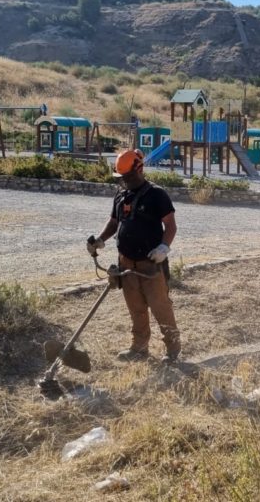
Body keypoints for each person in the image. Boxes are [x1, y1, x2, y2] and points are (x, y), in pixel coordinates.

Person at [88, 149, 181, 363]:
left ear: (139, 169)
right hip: (126, 263)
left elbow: (171, 226)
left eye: (127, 177)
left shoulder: (157, 195)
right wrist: (100, 240)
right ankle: (139, 349)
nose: (124, 181)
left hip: (151, 265)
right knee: (136, 309)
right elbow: (113, 222)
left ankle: (173, 350)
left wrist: (164, 247)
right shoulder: (121, 196)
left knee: (161, 309)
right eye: (121, 178)